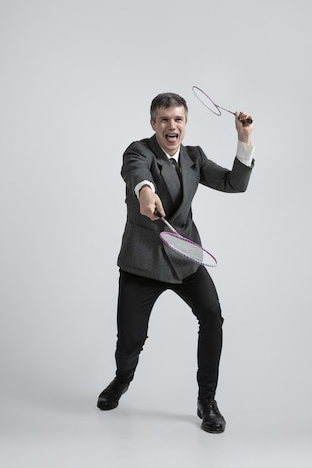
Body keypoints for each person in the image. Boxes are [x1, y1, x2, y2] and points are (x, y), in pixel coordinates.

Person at [97, 92, 254, 433]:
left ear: (185, 124)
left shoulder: (195, 158)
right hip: (142, 262)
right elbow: (136, 173)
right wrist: (145, 191)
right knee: (130, 341)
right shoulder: (138, 151)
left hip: (185, 257)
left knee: (212, 316)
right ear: (153, 123)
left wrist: (243, 140)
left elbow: (234, 184)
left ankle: (207, 400)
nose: (172, 126)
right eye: (165, 119)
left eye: (178, 119)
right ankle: (121, 380)